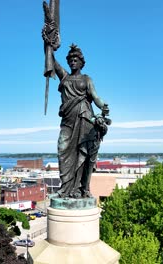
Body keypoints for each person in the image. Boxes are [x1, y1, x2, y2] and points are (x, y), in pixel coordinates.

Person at [52, 44, 110, 198]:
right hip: (68, 121)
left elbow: (95, 97)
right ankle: (66, 187)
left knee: (83, 154)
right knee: (62, 150)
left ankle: (81, 188)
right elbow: (52, 61)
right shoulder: (64, 76)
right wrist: (48, 45)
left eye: (75, 59)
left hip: (85, 118)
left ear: (81, 62)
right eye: (70, 59)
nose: (72, 62)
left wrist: (103, 106)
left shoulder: (87, 79)